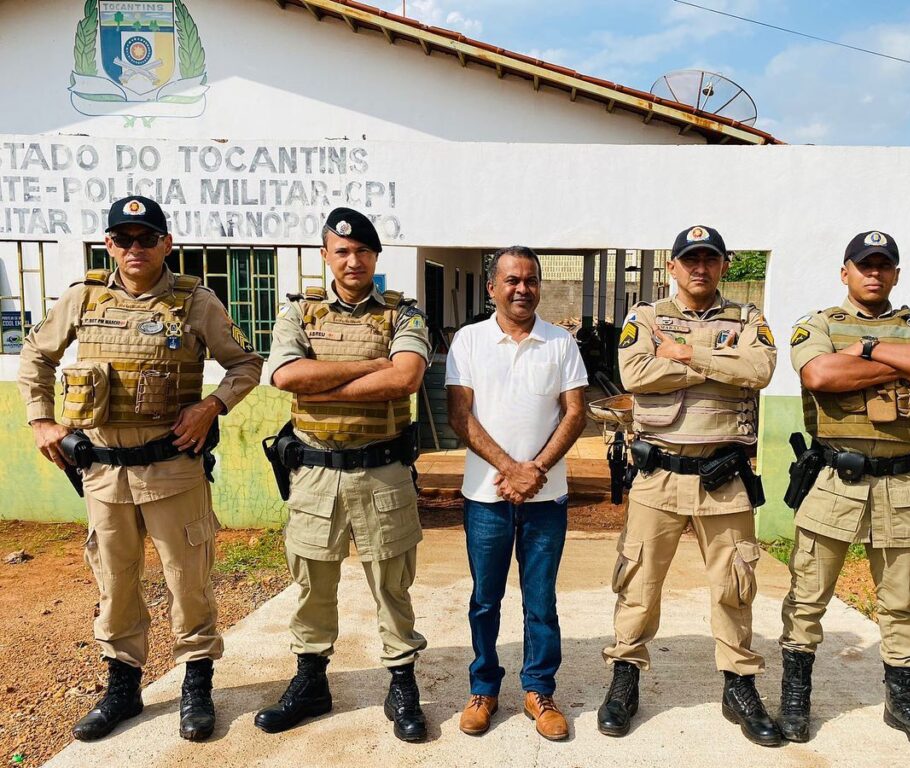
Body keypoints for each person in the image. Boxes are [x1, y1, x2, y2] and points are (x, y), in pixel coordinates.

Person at [18, 196, 263, 742]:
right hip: (102, 477)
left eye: (146, 237)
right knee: (115, 583)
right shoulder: (83, 298)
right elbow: (36, 356)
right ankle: (122, 689)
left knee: (188, 582)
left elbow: (245, 362)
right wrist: (42, 421)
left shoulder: (195, 302)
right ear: (108, 244)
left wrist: (211, 405)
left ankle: (196, 686)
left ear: (165, 244)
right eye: (123, 238)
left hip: (173, 471)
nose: (134, 248)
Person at [778, 231, 910, 755]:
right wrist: (908, 360)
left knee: (901, 601)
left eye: (884, 266)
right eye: (864, 265)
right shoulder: (817, 324)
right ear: (846, 272)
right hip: (833, 482)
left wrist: (865, 351)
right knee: (807, 596)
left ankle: (902, 700)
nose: (874, 274)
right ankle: (796, 693)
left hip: (904, 485)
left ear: (896, 274)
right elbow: (819, 372)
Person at [599, 225, 782, 746]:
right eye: (689, 259)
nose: (699, 267)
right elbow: (634, 372)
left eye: (710, 259)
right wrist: (718, 367)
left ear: (723, 265)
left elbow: (761, 367)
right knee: (638, 581)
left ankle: (739, 685)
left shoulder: (748, 317)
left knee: (734, 584)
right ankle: (625, 678)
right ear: (672, 267)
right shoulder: (646, 318)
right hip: (658, 474)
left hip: (725, 477)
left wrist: (683, 356)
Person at [256, 207, 429, 742]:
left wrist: (322, 383)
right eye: (341, 251)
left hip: (382, 471)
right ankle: (311, 683)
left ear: (376, 257)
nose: (352, 260)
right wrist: (370, 366)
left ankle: (401, 685)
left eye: (362, 251)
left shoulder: (404, 315)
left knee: (392, 584)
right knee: (311, 583)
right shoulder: (299, 315)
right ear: (327, 256)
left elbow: (406, 378)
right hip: (315, 473)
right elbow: (286, 375)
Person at [446, 246, 588, 740]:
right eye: (511, 280)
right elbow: (460, 415)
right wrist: (511, 468)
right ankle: (483, 689)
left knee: (540, 600)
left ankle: (538, 690)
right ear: (492, 288)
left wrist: (538, 470)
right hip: (486, 496)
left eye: (530, 280)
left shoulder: (561, 342)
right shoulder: (469, 341)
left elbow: (575, 412)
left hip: (546, 499)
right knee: (485, 600)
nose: (522, 289)